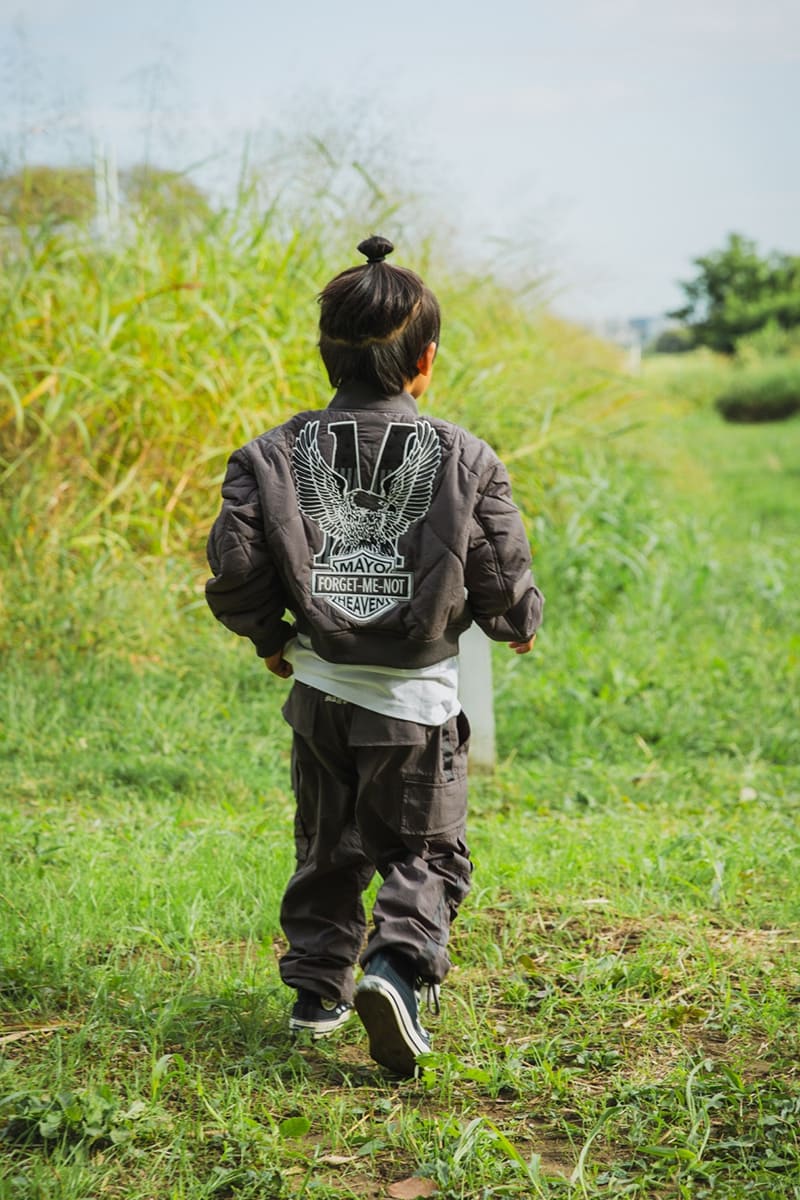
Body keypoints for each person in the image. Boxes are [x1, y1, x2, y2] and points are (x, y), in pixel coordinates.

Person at [205, 235, 543, 1075]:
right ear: (425, 362)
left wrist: (272, 635)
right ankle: (394, 971)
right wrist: (515, 619)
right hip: (414, 708)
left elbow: (236, 566)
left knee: (327, 846)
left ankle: (316, 993)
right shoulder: (465, 457)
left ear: (328, 356)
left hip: (319, 697)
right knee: (425, 853)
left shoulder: (270, 455)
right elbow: (498, 570)